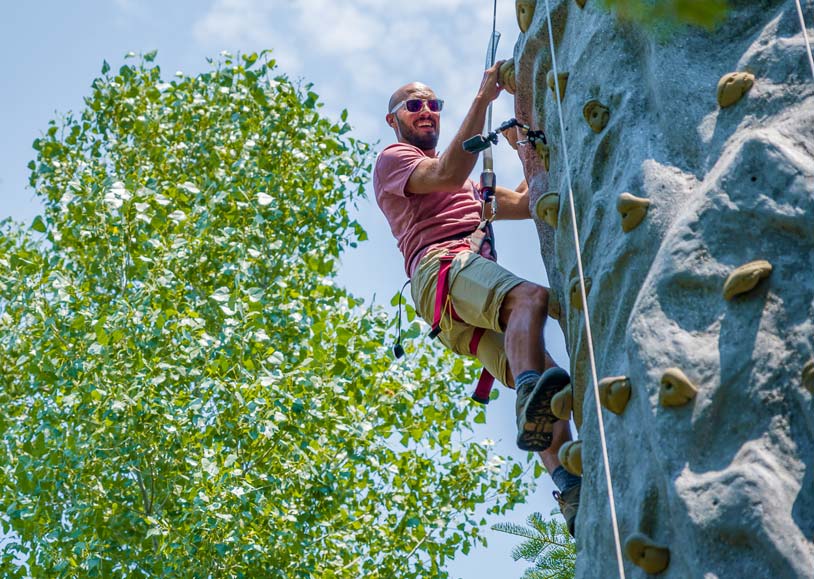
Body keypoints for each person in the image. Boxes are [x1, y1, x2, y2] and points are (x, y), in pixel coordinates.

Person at [372, 61, 581, 536]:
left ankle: (569, 487)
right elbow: (446, 171)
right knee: (529, 297)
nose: (425, 111)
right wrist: (485, 97)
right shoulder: (393, 160)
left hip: (455, 306)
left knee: (555, 380)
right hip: (442, 270)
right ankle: (530, 391)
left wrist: (527, 148)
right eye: (414, 105)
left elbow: (529, 203)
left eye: (432, 105)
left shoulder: (470, 190)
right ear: (395, 119)